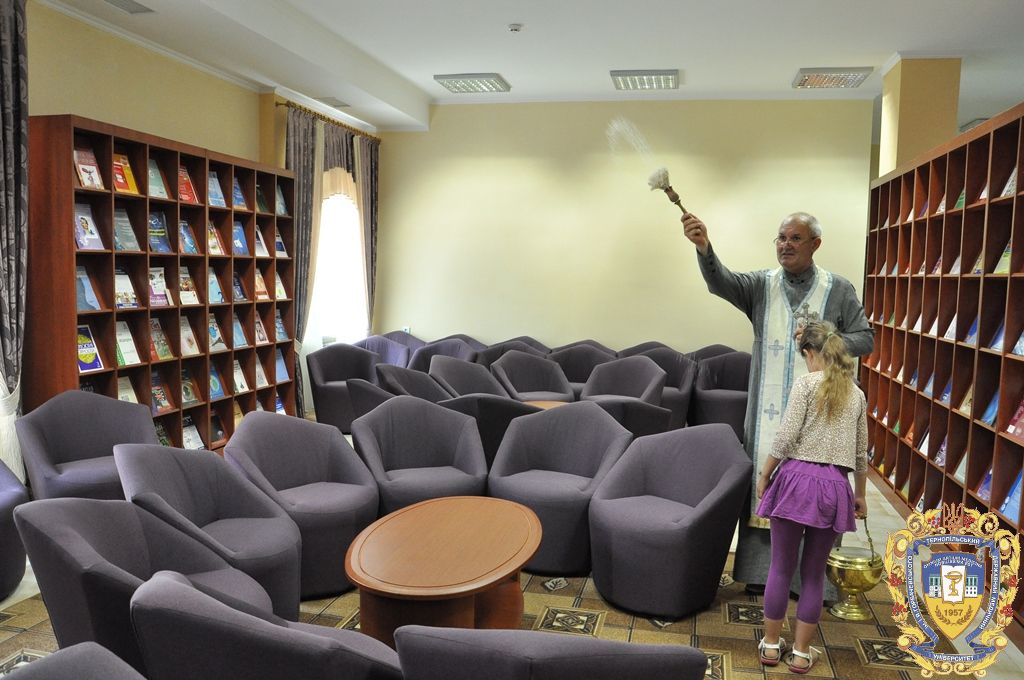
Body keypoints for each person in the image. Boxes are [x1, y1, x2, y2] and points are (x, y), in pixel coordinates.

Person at [681, 211, 873, 594]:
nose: (786, 245)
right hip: (769, 415)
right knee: (764, 484)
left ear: (815, 243)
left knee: (818, 489)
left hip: (822, 416)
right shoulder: (760, 285)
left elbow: (865, 338)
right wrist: (704, 248)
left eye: (795, 238)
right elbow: (721, 282)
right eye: (781, 238)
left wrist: (826, 338)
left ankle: (811, 582)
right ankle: (759, 575)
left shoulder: (837, 288)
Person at [754, 320, 867, 673]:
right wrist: (861, 495)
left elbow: (786, 435)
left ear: (811, 353)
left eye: (805, 357)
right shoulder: (857, 394)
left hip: (795, 482)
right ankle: (802, 653)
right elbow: (861, 453)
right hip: (835, 487)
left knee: (780, 566)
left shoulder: (805, 384)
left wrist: (765, 474)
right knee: (814, 574)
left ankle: (771, 645)